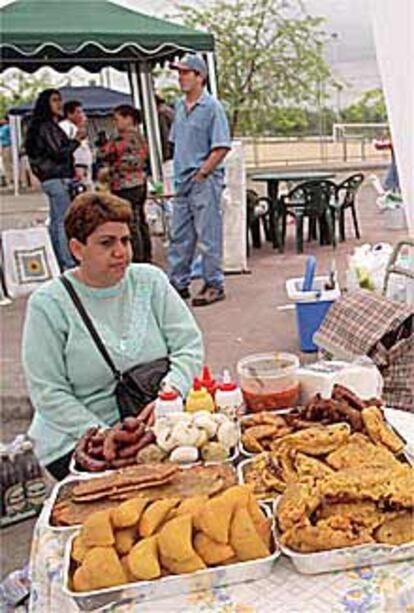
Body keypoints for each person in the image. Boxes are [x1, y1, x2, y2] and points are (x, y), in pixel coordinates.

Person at [22, 191, 204, 480]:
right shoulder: (49, 303)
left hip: (156, 425)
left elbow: (188, 347)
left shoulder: (150, 280)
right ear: (77, 249)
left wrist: (170, 397)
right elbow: (48, 391)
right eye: (107, 243)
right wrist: (106, 434)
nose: (121, 252)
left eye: (125, 240)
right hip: (79, 439)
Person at [168, 54, 231, 307]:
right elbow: (176, 142)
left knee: (208, 235)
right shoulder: (179, 107)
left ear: (200, 76)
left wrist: (203, 172)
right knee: (179, 234)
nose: (181, 77)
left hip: (204, 180)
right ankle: (177, 283)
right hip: (182, 178)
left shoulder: (212, 108)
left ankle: (213, 283)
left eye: (186, 73)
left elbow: (221, 146)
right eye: (179, 73)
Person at [25, 89, 86, 270]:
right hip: (56, 177)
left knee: (56, 221)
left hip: (51, 177)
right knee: (61, 222)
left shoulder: (43, 126)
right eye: (54, 100)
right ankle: (66, 262)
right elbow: (58, 152)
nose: (59, 104)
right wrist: (75, 141)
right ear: (46, 104)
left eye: (59, 100)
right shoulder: (46, 126)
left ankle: (58, 259)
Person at [98, 105, 151, 262]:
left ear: (128, 119)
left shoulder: (121, 139)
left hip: (124, 185)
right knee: (140, 220)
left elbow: (104, 153)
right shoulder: (141, 138)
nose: (115, 123)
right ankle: (145, 255)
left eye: (117, 119)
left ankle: (137, 257)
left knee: (130, 224)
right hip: (139, 182)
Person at [59, 100, 93, 189]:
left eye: (82, 112)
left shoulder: (75, 127)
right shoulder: (65, 126)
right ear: (69, 114)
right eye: (78, 112)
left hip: (84, 166)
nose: (81, 115)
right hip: (76, 167)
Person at [155, 94, 175, 162]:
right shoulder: (170, 111)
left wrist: (165, 153)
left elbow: (164, 133)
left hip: (169, 149)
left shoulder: (162, 113)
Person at [0, 116, 12, 187]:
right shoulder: (2, 128)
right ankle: (8, 180)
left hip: (7, 146)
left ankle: (10, 180)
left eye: (2, 119)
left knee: (8, 164)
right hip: (3, 147)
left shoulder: (7, 127)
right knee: (5, 164)